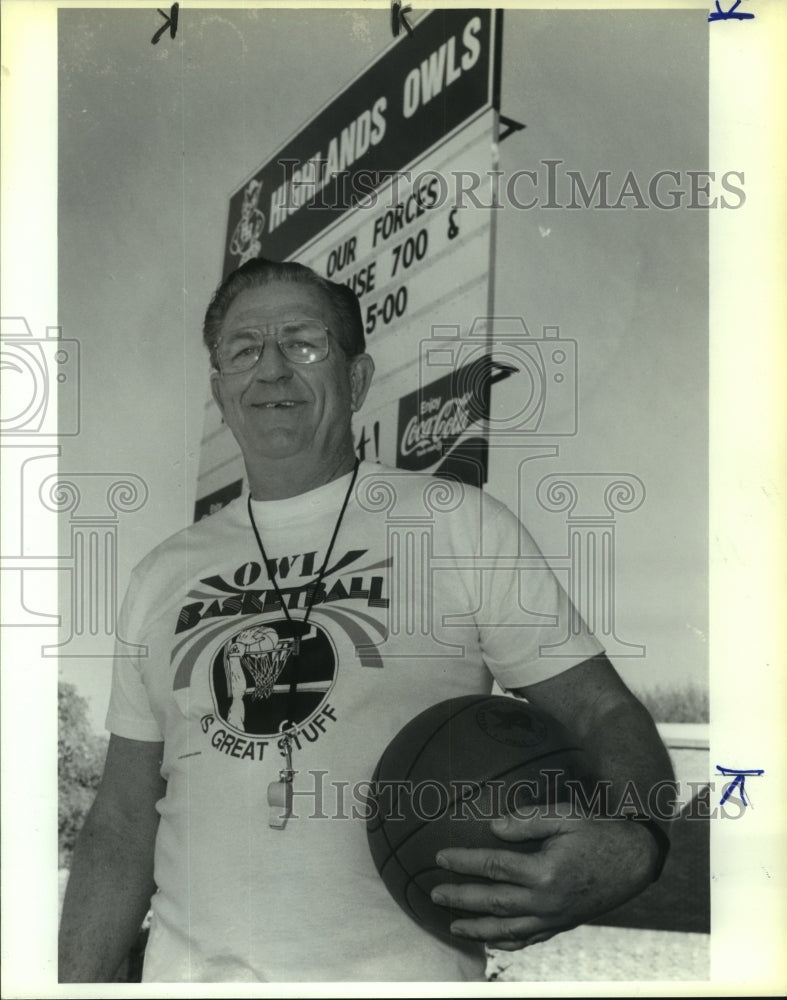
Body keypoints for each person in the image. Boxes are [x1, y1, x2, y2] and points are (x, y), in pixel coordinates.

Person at [58, 258, 675, 983]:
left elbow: (601, 711)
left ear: (354, 379)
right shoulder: (159, 574)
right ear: (220, 392)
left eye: (303, 342)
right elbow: (122, 822)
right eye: (243, 349)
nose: (272, 369)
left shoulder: (453, 523)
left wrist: (636, 843)